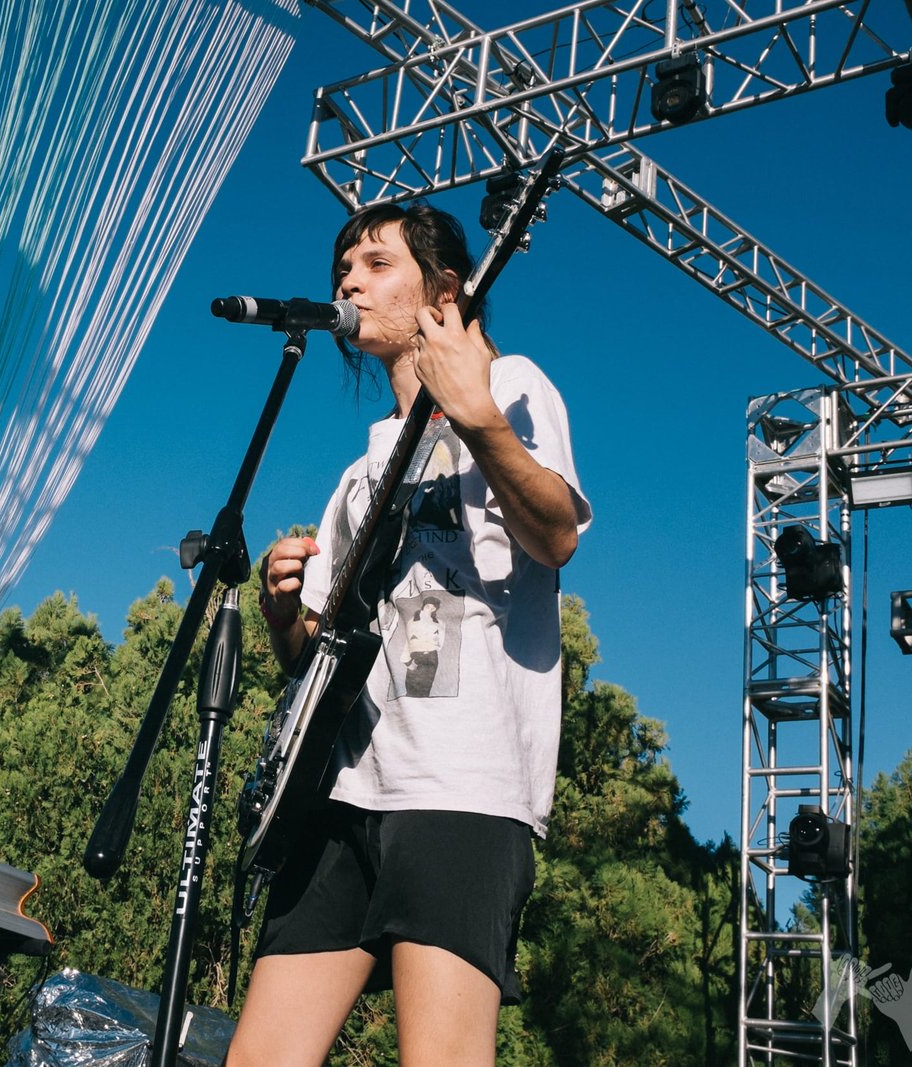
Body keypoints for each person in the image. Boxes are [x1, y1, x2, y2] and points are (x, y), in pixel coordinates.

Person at [229, 201, 591, 1066]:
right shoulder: (361, 472)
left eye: (375, 262)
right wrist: (285, 614)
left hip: (461, 788)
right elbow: (312, 659)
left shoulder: (513, 388)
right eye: (341, 269)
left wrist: (478, 419)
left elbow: (556, 536)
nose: (349, 279)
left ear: (444, 290)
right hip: (343, 790)